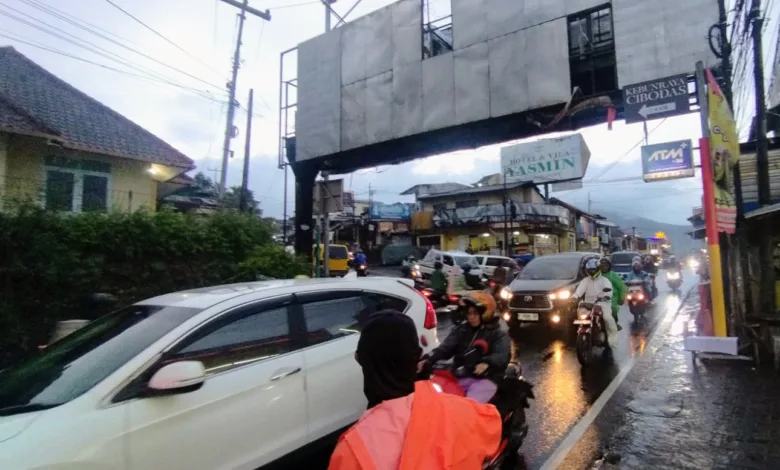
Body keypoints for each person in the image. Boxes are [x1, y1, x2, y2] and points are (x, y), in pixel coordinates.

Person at [327, 311, 502, 470]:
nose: (471, 316)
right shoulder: (471, 414)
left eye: (474, 313)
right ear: (417, 357)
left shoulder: (352, 450)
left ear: (359, 359)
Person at [421, 291, 510, 403]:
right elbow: (446, 348)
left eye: (475, 313)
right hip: (461, 375)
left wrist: (486, 363)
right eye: (469, 313)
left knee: (469, 408)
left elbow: (502, 355)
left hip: (486, 378)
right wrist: (427, 358)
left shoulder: (498, 333)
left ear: (485, 313)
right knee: (434, 398)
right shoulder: (462, 329)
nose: (471, 317)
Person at [571, 259, 618, 348]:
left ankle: (613, 339)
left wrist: (607, 296)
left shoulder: (605, 280)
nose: (592, 271)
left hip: (603, 303)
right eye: (590, 270)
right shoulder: (585, 280)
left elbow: (609, 291)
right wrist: (574, 297)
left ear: (598, 269)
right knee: (580, 317)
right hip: (588, 304)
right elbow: (579, 291)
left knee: (607, 318)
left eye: (593, 269)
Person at [600, 257, 626, 331]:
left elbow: (621, 287)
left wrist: (622, 298)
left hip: (612, 298)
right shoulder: (596, 275)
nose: (604, 267)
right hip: (598, 297)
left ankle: (614, 322)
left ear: (609, 266)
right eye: (602, 266)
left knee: (613, 309)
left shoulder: (613, 275)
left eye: (606, 265)